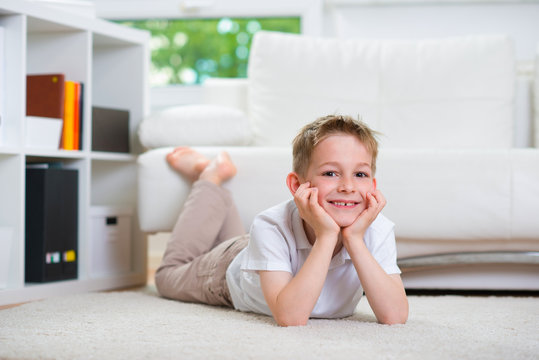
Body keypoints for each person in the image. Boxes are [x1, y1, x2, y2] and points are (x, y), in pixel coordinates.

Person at [155, 115, 409, 326]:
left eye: (360, 174)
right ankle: (209, 176)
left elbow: (395, 316)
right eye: (331, 173)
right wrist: (327, 236)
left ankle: (214, 180)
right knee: (167, 278)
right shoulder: (270, 224)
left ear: (373, 186)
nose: (347, 186)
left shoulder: (378, 229)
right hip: (227, 269)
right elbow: (290, 317)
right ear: (297, 185)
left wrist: (353, 239)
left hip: (264, 254)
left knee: (245, 242)